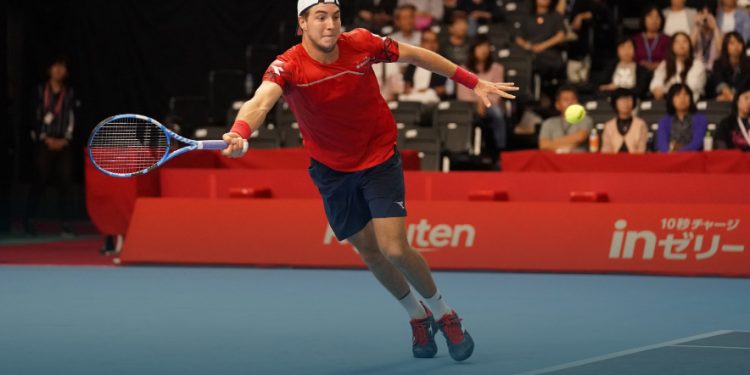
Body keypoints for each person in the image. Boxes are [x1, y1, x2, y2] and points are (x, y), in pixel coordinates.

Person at [221, 0, 518, 361]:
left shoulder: (361, 43)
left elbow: (418, 56)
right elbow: (260, 101)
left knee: (394, 248)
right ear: (301, 24)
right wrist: (240, 131)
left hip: (377, 156)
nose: (330, 25)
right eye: (320, 18)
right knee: (370, 252)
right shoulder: (288, 65)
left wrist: (473, 82)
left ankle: (444, 313)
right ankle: (417, 317)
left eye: (335, 17)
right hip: (330, 169)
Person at [25, 58, 77, 237]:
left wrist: (65, 140)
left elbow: (73, 117)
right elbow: (33, 116)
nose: (58, 70)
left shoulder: (70, 93)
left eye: (62, 67)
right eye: (55, 66)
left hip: (63, 143)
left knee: (65, 182)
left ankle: (66, 223)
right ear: (49, 70)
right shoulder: (39, 91)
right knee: (39, 179)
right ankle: (29, 220)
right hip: (43, 142)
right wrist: (44, 138)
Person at [457, 36, 507, 150]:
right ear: (473, 49)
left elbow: (497, 92)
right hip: (469, 105)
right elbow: (462, 95)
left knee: (497, 112)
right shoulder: (463, 68)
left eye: (486, 47)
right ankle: (463, 148)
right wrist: (478, 101)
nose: (484, 50)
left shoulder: (497, 68)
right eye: (480, 47)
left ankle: (500, 149)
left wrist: (483, 102)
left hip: (491, 104)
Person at [515, 0, 567, 82]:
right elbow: (518, 38)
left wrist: (543, 45)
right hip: (530, 54)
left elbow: (561, 35)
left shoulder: (556, 16)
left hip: (550, 54)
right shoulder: (527, 17)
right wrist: (528, 46)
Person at [649, 31, 706, 100]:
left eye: (685, 41)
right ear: (671, 46)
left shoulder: (697, 64)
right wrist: (657, 89)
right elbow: (656, 83)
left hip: (691, 101)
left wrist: (666, 89)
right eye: (677, 42)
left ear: (690, 45)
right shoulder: (665, 64)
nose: (681, 44)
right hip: (668, 102)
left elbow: (692, 86)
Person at [538, 85, 593, 153]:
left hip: (578, 160)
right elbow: (543, 145)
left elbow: (580, 137)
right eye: (566, 100)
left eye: (573, 99)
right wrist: (571, 143)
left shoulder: (585, 119)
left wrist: (551, 143)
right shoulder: (548, 123)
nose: (570, 102)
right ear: (557, 105)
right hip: (553, 161)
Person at [656, 83, 708, 152]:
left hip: (693, 158)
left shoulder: (700, 119)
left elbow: (696, 144)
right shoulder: (664, 120)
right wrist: (670, 152)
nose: (682, 98)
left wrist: (677, 150)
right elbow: (661, 144)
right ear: (671, 99)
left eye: (686, 94)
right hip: (670, 159)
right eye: (678, 95)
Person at [400, 30, 447, 103]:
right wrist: (415, 91)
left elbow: (445, 89)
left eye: (434, 41)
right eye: (427, 41)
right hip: (414, 97)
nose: (431, 45)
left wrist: (430, 90)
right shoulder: (412, 63)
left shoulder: (444, 63)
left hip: (433, 100)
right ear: (421, 43)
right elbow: (406, 87)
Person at [600, 88, 649, 153]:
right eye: (622, 99)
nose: (626, 102)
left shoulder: (640, 124)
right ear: (615, 103)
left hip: (636, 161)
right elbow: (606, 150)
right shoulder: (609, 126)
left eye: (629, 99)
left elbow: (642, 149)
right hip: (612, 162)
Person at [708, 32, 750, 101]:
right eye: (732, 43)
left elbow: (744, 85)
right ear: (725, 46)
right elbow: (720, 83)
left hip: (743, 99)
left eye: (739, 42)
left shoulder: (748, 63)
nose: (736, 46)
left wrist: (733, 98)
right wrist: (729, 96)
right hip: (722, 97)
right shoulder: (718, 64)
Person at [633, 6, 671, 73]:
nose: (654, 20)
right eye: (650, 16)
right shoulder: (635, 39)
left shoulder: (668, 39)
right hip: (639, 75)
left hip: (662, 73)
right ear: (643, 19)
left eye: (657, 17)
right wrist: (641, 64)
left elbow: (671, 60)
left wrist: (659, 65)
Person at [715, 84, 750, 150]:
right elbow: (721, 146)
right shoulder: (726, 123)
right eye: (746, 98)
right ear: (737, 100)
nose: (749, 102)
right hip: (733, 159)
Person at [690, 7, 722, 72]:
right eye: (702, 13)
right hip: (696, 70)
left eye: (709, 14)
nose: (705, 17)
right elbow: (688, 48)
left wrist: (715, 28)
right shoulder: (694, 32)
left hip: (714, 70)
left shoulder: (720, 33)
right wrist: (697, 26)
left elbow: (721, 51)